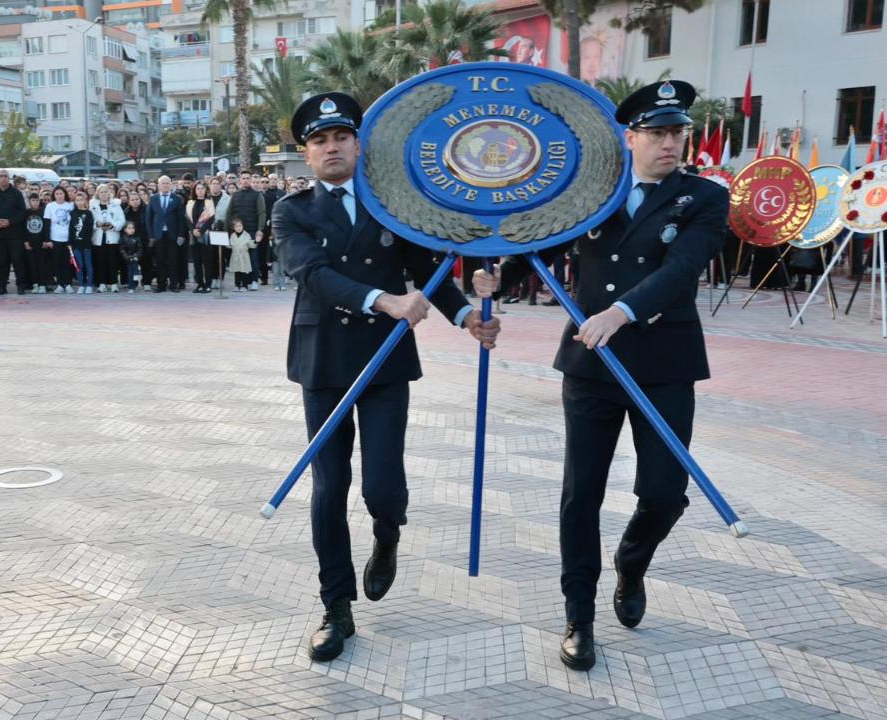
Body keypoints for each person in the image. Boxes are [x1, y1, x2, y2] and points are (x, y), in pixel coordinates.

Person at [473, 80, 728, 672]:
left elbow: (683, 270)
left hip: (663, 362)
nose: (670, 144)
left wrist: (621, 312)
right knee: (579, 494)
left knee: (665, 492)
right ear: (630, 137)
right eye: (658, 133)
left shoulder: (704, 199)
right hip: (591, 366)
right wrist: (496, 283)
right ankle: (579, 617)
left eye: (677, 133)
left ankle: (632, 562)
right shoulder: (592, 193)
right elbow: (541, 246)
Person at [273, 92, 501, 663]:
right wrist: (384, 300)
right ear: (307, 154)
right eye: (319, 141)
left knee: (381, 485)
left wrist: (468, 316)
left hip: (385, 359)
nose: (331, 148)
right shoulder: (291, 210)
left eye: (341, 138)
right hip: (324, 358)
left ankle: (388, 535)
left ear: (358, 144)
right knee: (328, 489)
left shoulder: (392, 206)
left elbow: (429, 271)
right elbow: (313, 274)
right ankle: (336, 607)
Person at [0, 169, 28, 294]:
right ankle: (2, 286)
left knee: (18, 260)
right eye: (0, 176)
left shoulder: (17, 194)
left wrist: (10, 221)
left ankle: (20, 286)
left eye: (5, 176)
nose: (3, 178)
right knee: (1, 261)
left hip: (15, 234)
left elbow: (22, 212)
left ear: (9, 178)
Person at [145, 175, 187, 293]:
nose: (165, 185)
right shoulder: (153, 199)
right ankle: (161, 285)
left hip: (172, 234)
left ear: (171, 185)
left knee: (173, 260)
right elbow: (149, 218)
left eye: (167, 183)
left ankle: (174, 285)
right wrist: (151, 235)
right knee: (160, 261)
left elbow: (181, 219)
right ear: (158, 185)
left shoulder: (177, 199)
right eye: (163, 183)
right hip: (158, 235)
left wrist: (181, 234)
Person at [69, 190, 94, 294]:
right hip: (76, 244)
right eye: (77, 200)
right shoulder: (73, 213)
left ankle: (89, 285)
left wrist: (86, 241)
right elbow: (71, 228)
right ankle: (81, 284)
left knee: (88, 265)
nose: (79, 202)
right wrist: (70, 243)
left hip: (86, 244)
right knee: (79, 265)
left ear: (85, 201)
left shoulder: (88, 213)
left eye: (81, 200)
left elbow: (90, 229)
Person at [119, 220, 142, 293]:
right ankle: (131, 286)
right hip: (128, 258)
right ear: (125, 229)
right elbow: (122, 250)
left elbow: (140, 249)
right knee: (130, 272)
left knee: (135, 270)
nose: (131, 230)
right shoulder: (123, 239)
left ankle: (135, 283)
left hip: (135, 258)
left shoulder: (137, 238)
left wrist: (136, 256)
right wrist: (128, 257)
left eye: (133, 228)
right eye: (129, 228)